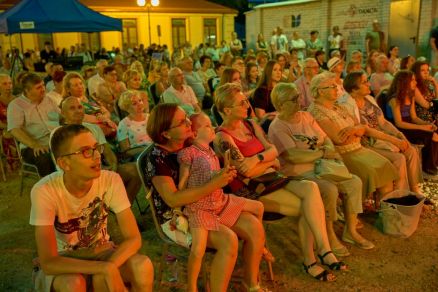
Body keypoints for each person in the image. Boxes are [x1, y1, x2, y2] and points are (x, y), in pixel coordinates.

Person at [214, 83, 348, 282]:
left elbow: (274, 151)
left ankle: (322, 249)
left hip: (270, 178)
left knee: (311, 188)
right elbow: (245, 172)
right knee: (308, 206)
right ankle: (313, 259)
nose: (247, 105)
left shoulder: (250, 124)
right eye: (242, 103)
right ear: (227, 110)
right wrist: (267, 161)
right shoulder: (222, 137)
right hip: (251, 190)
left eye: (246, 101)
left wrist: (258, 159)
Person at [145, 104, 267, 290]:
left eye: (186, 118)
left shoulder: (188, 142)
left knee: (254, 225)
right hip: (179, 216)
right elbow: (173, 199)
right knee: (229, 241)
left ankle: (251, 283)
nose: (188, 123)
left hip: (212, 202)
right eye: (181, 122)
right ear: (166, 134)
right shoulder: (156, 158)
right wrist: (215, 183)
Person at [30, 124, 153, 292]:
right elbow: (49, 262)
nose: (97, 156)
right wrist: (104, 269)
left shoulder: (110, 180)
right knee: (73, 285)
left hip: (102, 253)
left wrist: (107, 266)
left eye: (96, 148)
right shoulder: (45, 190)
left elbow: (134, 238)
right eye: (86, 151)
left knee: (142, 266)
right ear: (64, 163)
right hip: (67, 259)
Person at [268, 83, 374, 255]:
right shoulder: (278, 126)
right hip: (298, 172)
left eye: (298, 96)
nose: (300, 100)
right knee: (329, 190)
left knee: (354, 182)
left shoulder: (306, 116)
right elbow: (293, 156)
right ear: (280, 105)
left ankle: (350, 230)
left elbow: (325, 139)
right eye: (294, 99)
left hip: (321, 166)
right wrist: (323, 152)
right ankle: (328, 235)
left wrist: (327, 150)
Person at [178, 112, 266, 291]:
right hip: (200, 206)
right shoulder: (188, 154)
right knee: (198, 248)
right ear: (194, 134)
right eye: (208, 126)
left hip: (219, 200)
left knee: (258, 206)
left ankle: (262, 247)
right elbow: (183, 183)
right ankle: (192, 286)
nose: (214, 128)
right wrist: (181, 205)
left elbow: (211, 177)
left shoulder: (211, 151)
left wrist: (223, 175)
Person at [308, 72, 397, 203]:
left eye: (336, 85)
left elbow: (361, 127)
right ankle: (365, 211)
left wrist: (354, 130)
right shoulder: (316, 111)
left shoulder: (338, 106)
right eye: (332, 86)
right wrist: (357, 131)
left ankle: (384, 212)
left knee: (385, 166)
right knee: (372, 169)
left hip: (358, 148)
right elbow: (340, 139)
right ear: (321, 92)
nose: (337, 89)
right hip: (342, 155)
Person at [344, 71, 422, 193]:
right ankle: (399, 195)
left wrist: (399, 135)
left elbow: (383, 122)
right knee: (399, 158)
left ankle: (414, 189)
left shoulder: (369, 99)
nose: (369, 84)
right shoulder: (348, 105)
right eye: (364, 82)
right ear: (354, 89)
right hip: (368, 143)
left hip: (383, 138)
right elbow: (367, 132)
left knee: (411, 150)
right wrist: (395, 141)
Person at [60, 96, 143, 204]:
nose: (77, 111)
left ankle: (121, 207)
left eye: (80, 107)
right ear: (63, 113)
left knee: (135, 170)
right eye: (72, 108)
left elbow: (107, 152)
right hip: (80, 177)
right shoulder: (59, 135)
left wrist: (113, 165)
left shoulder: (93, 128)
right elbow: (65, 167)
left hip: (102, 169)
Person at [386, 70, 438, 176]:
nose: (416, 82)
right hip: (400, 129)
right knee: (431, 135)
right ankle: (428, 167)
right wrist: (422, 128)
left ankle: (433, 163)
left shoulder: (411, 96)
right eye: (413, 80)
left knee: (435, 129)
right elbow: (399, 123)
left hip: (410, 124)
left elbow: (414, 117)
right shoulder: (395, 99)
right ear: (405, 82)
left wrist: (425, 124)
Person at [7, 73, 58, 176]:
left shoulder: (48, 100)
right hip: (31, 146)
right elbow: (15, 130)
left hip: (53, 140)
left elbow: (61, 116)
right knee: (45, 157)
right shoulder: (16, 105)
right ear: (27, 90)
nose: (43, 89)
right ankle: (49, 187)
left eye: (43, 85)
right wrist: (35, 145)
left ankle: (69, 183)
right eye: (38, 87)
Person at [62, 72, 117, 139]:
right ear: (68, 89)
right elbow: (82, 118)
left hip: (105, 126)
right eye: (76, 85)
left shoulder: (91, 98)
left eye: (81, 83)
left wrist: (104, 117)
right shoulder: (68, 104)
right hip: (90, 132)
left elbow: (107, 112)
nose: (80, 87)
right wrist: (101, 119)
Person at [117, 90, 152, 160]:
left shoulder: (151, 117)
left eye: (140, 100)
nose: (140, 104)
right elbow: (126, 151)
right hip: (140, 156)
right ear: (127, 108)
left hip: (156, 150)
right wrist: (145, 150)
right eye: (134, 103)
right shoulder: (123, 124)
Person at [252, 60, 282, 127]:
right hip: (269, 124)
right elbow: (261, 116)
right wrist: (279, 113)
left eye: (280, 70)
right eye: (275, 70)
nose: (278, 73)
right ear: (268, 72)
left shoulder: (281, 88)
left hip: (282, 121)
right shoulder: (261, 91)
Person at [0, 74, 18, 171]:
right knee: (7, 135)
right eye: (5, 84)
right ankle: (11, 161)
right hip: (4, 129)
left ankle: (18, 159)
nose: (8, 86)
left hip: (17, 128)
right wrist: (11, 127)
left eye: (10, 83)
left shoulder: (17, 100)